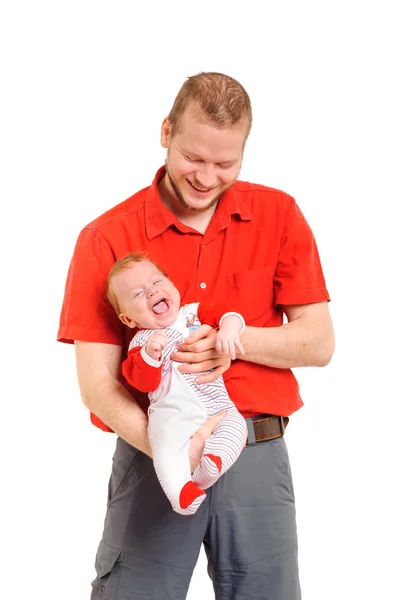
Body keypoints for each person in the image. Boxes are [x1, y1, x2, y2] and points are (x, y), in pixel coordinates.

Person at [57, 71, 335, 600]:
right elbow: (96, 385)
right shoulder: (104, 238)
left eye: (225, 164)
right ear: (166, 131)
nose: (207, 177)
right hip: (153, 454)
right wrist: (172, 452)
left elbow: (319, 341)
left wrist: (235, 341)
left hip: (256, 450)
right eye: (194, 159)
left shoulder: (278, 214)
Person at [106, 252, 248, 515]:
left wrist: (229, 329)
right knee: (165, 446)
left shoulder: (193, 313)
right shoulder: (140, 344)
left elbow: (230, 314)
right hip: (174, 413)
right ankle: (179, 492)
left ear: (172, 286)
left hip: (216, 403)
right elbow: (142, 382)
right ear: (128, 319)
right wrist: (150, 355)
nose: (151, 292)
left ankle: (212, 463)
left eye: (157, 282)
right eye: (137, 294)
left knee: (237, 427)